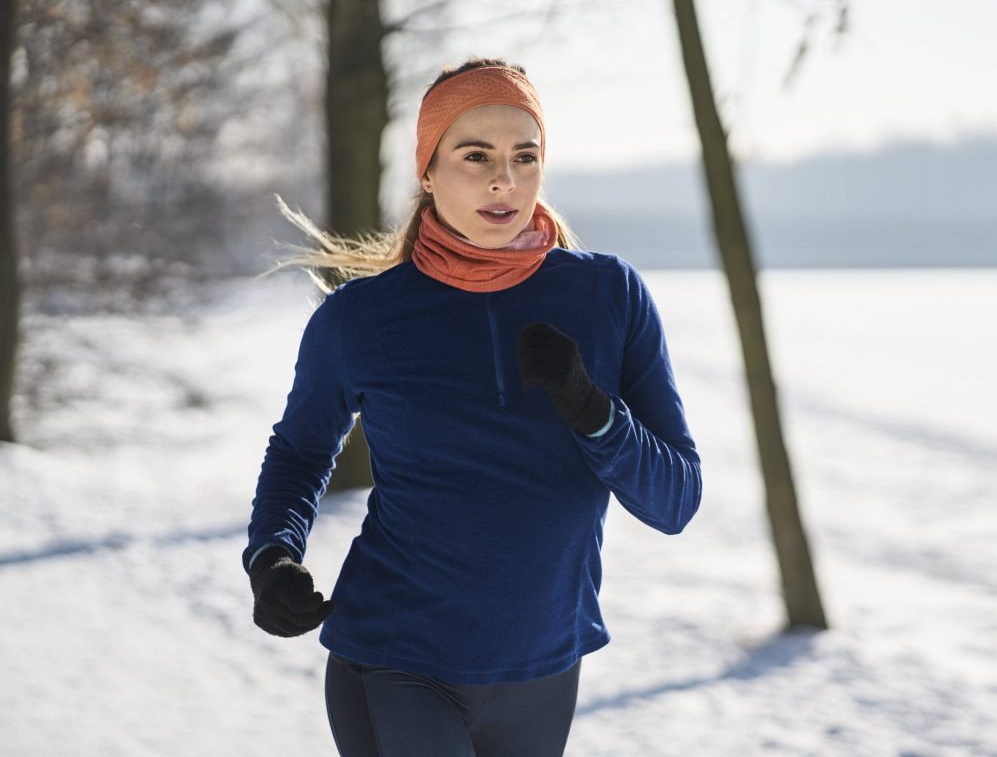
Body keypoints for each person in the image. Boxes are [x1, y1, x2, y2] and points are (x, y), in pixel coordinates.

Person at [242, 56, 703, 757]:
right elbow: (302, 450)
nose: (504, 179)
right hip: (399, 658)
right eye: (475, 155)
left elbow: (675, 501)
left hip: (544, 668)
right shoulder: (362, 318)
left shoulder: (609, 297)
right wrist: (273, 557)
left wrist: (593, 412)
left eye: (526, 156)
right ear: (426, 171)